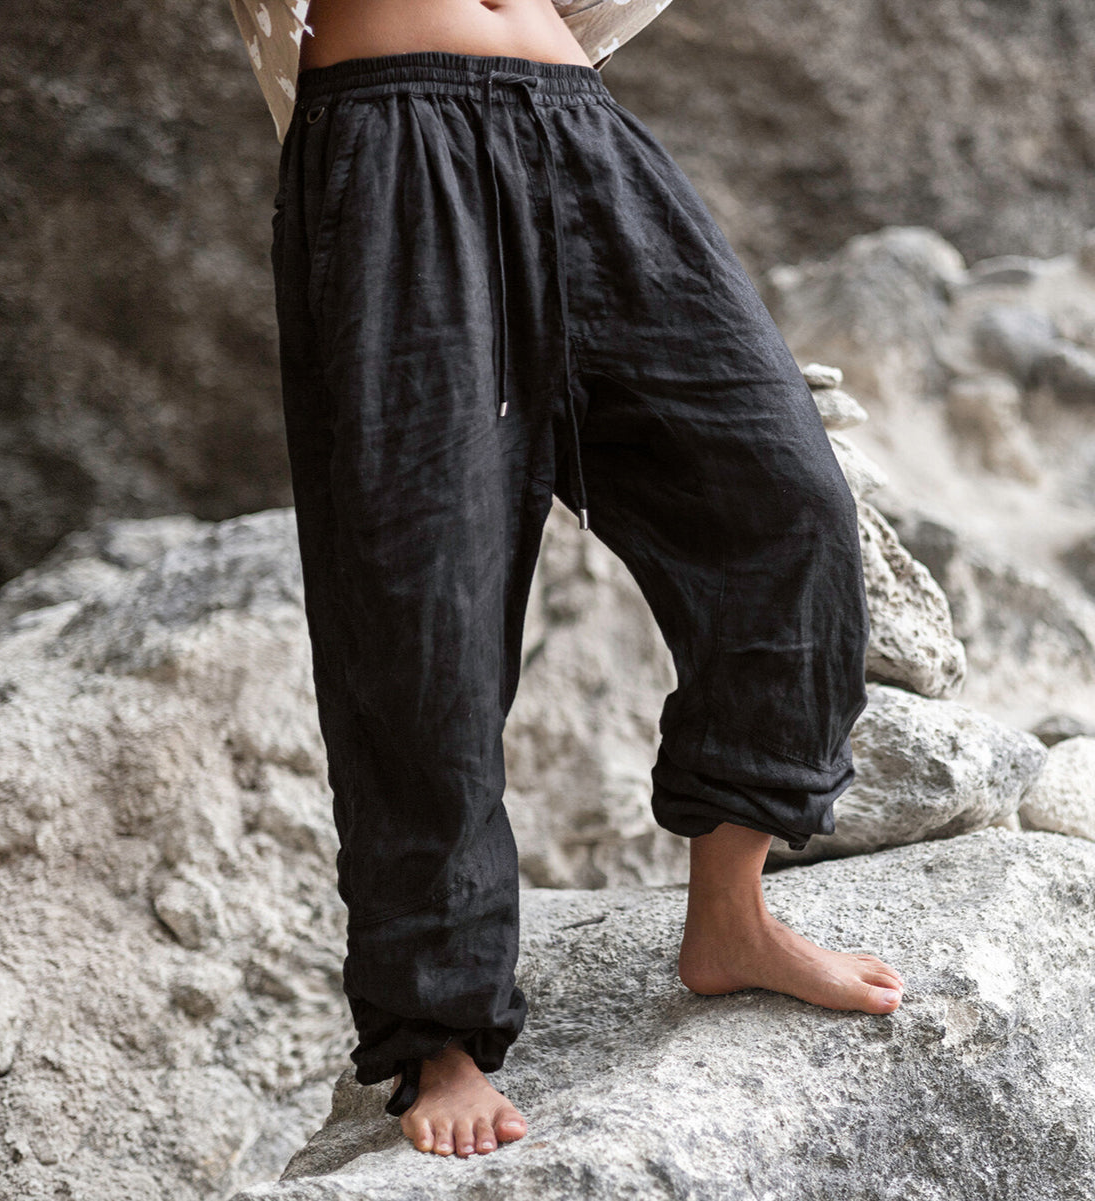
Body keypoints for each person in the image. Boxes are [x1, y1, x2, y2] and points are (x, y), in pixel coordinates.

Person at [233, 0, 905, 1162]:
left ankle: (732, 913)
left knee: (782, 505)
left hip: (579, 124)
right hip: (393, 140)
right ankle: (436, 1032)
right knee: (419, 601)